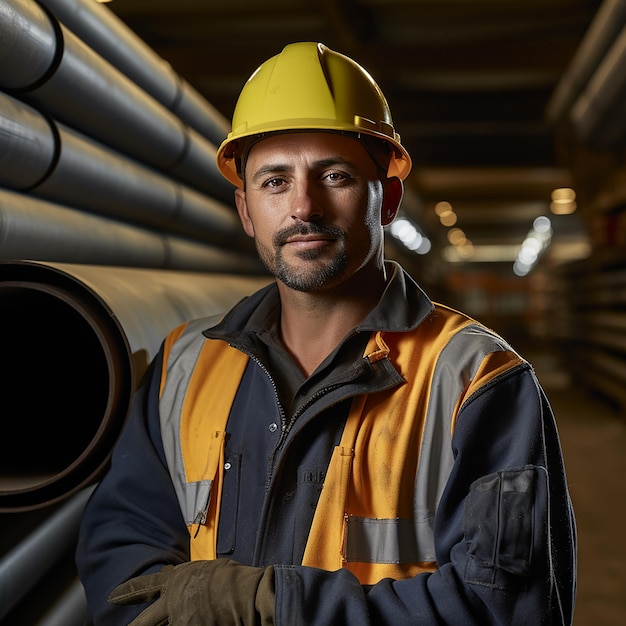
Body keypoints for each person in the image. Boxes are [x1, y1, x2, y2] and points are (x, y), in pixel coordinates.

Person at [76, 42, 576, 625]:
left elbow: (504, 608)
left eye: (333, 175)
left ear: (385, 198)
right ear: (245, 210)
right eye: (274, 182)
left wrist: (271, 606)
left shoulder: (477, 380)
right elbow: (123, 542)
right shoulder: (186, 365)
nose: (303, 206)